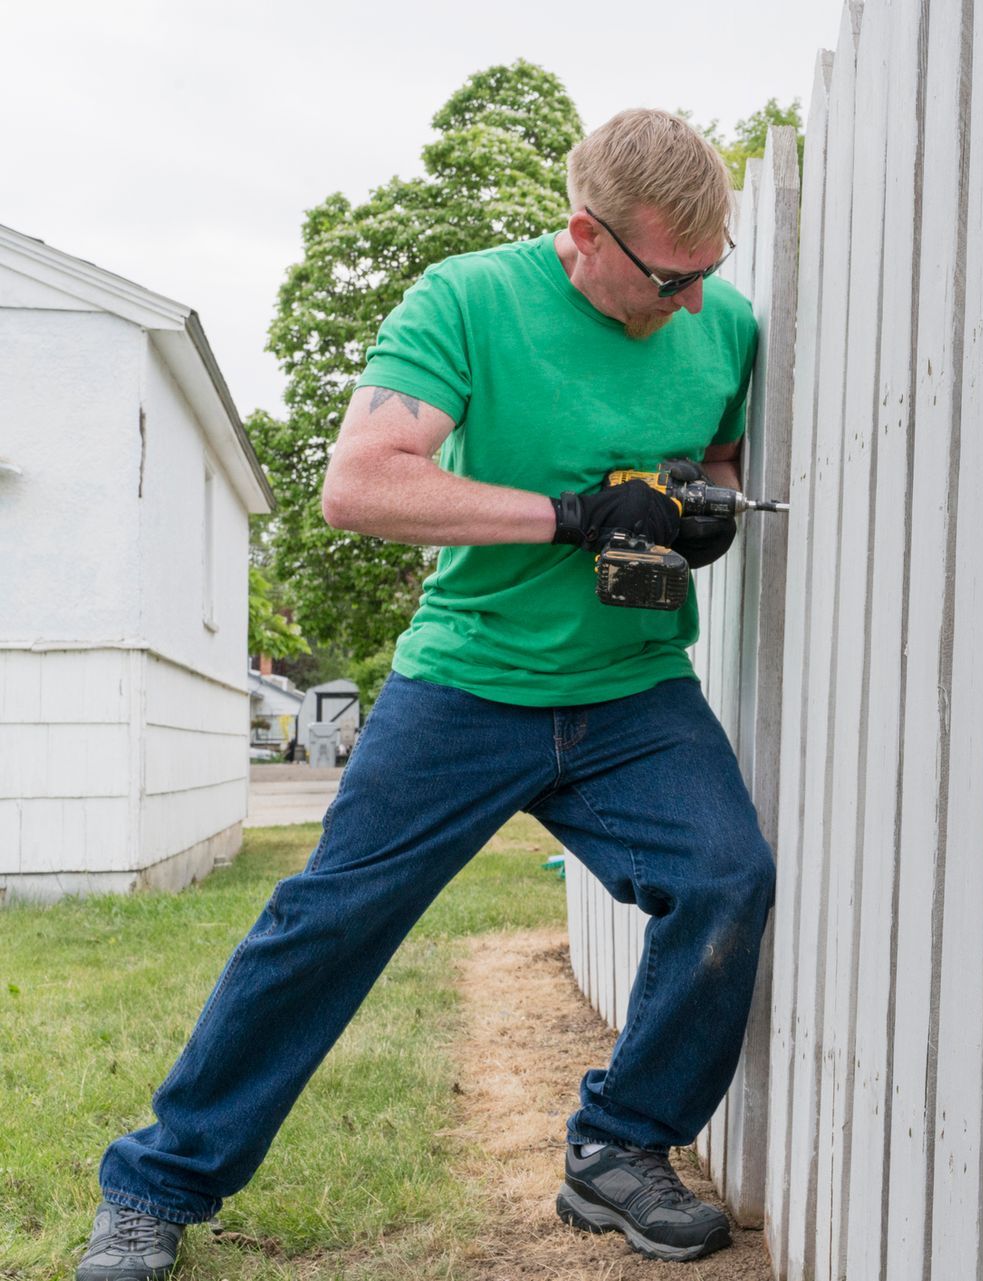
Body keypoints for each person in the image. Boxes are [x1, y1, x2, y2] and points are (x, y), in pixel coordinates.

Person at [77, 109, 775, 1280]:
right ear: (584, 238)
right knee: (327, 926)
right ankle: (155, 1187)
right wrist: (567, 517)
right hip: (468, 680)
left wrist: (699, 511)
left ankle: (619, 1148)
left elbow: (717, 467)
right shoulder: (465, 302)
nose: (694, 303)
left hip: (630, 686)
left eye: (712, 272)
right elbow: (359, 486)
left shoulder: (724, 322)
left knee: (725, 880)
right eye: (669, 278)